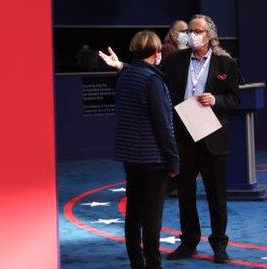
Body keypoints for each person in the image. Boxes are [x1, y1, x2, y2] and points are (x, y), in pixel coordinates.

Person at [101, 14, 239, 263]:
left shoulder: (225, 63)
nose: (191, 35)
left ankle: (219, 244)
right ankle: (189, 242)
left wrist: (216, 100)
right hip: (182, 136)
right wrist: (122, 66)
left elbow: (235, 98)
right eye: (190, 31)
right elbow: (147, 73)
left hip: (211, 136)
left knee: (216, 195)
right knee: (185, 193)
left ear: (209, 35)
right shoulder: (175, 60)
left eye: (197, 31)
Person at [114, 30, 179, 269]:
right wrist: (173, 160)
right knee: (152, 217)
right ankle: (153, 263)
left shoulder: (126, 76)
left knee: (134, 214)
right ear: (156, 52)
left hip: (131, 157)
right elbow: (163, 124)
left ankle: (136, 263)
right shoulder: (153, 80)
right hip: (153, 158)